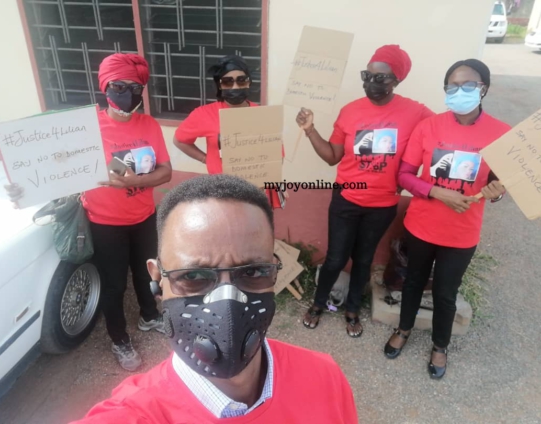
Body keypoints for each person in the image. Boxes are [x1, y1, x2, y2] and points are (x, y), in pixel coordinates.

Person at [70, 174, 358, 424]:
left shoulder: (325, 378)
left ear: (273, 272)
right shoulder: (132, 414)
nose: (227, 301)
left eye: (252, 271)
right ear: (157, 280)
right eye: (194, 276)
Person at [5, 53, 173, 372]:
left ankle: (150, 316)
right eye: (119, 86)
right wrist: (23, 186)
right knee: (113, 285)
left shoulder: (149, 125)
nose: (128, 94)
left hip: (143, 217)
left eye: (135, 87)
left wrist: (133, 181)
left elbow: (165, 172)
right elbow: (48, 167)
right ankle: (119, 338)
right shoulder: (83, 128)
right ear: (105, 87)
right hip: (104, 223)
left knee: (146, 273)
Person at [296, 45, 434, 337]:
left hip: (382, 205)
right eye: (367, 75)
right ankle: (318, 304)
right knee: (336, 258)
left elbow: (441, 135)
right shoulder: (350, 111)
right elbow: (332, 156)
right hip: (346, 199)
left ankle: (353, 309)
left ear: (396, 80)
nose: (371, 82)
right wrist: (310, 130)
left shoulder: (415, 112)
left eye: (380, 78)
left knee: (363, 259)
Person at [383, 59, 509, 379]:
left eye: (468, 85)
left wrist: (497, 192)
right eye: (452, 85)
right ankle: (404, 328)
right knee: (413, 282)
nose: (459, 91)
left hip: (462, 233)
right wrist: (437, 192)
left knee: (445, 292)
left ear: (483, 88)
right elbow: (405, 175)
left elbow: (500, 185)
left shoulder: (501, 134)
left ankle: (440, 345)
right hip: (421, 225)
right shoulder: (429, 127)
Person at [173, 55, 285, 209]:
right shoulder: (204, 114)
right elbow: (180, 140)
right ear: (219, 85)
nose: (235, 87)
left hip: (256, 195)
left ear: (249, 82)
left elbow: (277, 155)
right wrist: (206, 159)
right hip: (223, 195)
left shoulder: (262, 115)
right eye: (228, 81)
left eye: (241, 80)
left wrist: (268, 177)